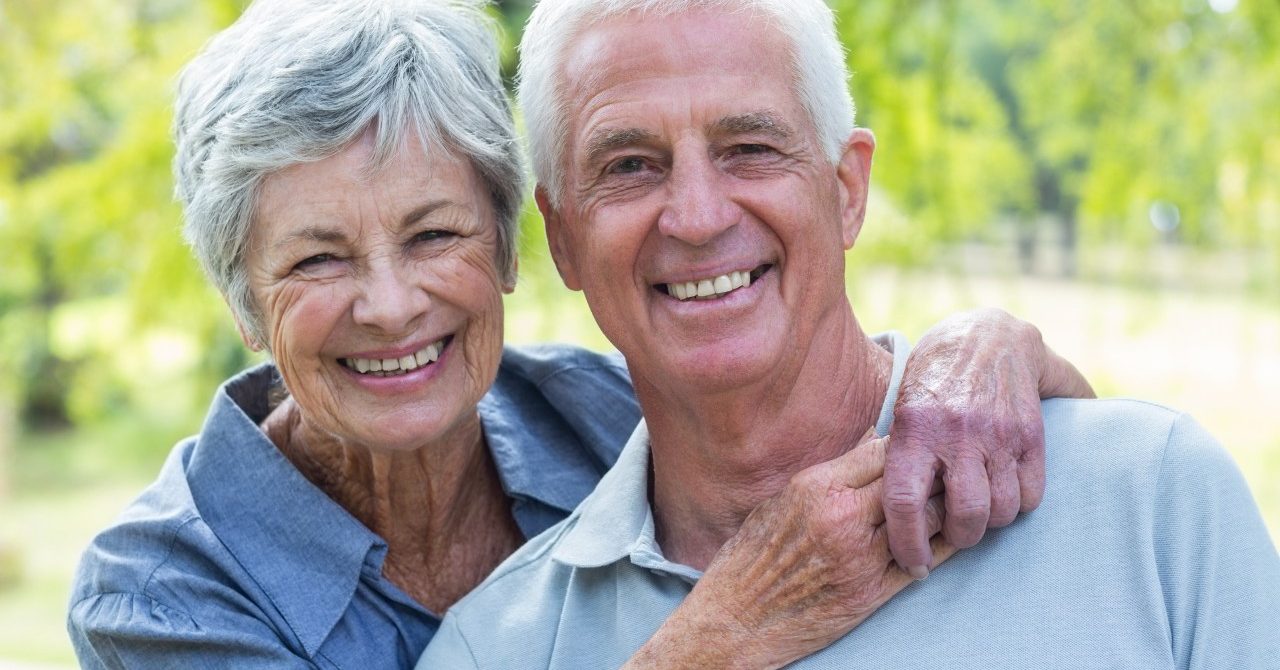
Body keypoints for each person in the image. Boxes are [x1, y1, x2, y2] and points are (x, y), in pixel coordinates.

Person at [67, 0, 1091, 668]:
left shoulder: (600, 409)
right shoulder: (162, 595)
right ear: (243, 299)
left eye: (433, 235)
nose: (388, 304)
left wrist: (981, 345)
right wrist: (725, 634)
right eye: (317, 259)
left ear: (516, 248)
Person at [418, 0, 1280, 667]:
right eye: (629, 166)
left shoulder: (1153, 500)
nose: (696, 214)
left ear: (848, 192)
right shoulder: (495, 648)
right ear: (562, 238)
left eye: (750, 146)